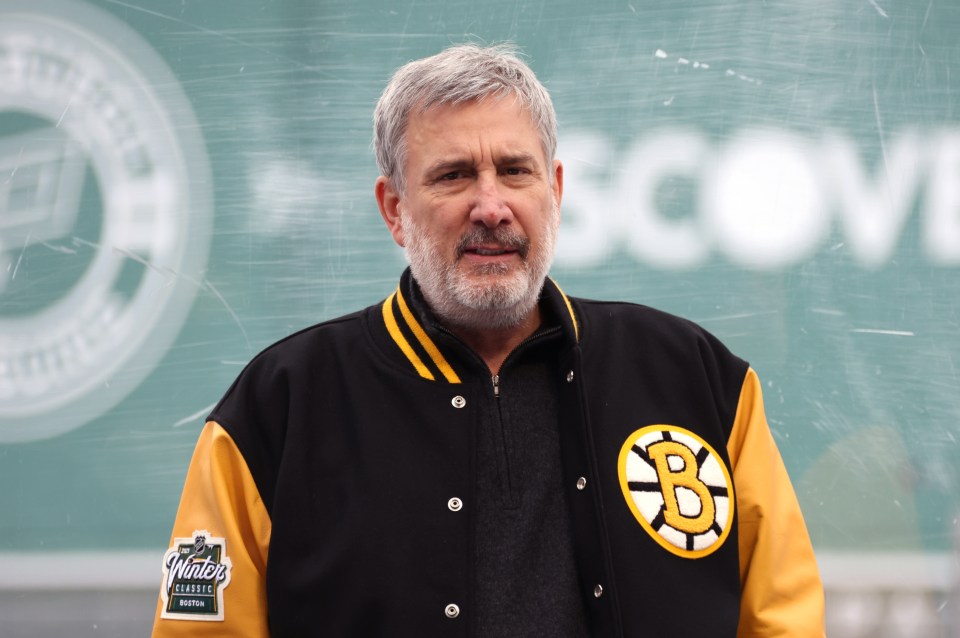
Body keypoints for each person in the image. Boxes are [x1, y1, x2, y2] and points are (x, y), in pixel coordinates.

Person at [151, 43, 825, 637]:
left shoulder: (697, 381)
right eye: (452, 176)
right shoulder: (280, 408)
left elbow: (784, 620)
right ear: (394, 210)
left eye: (515, 170)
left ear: (555, 191)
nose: (491, 205)